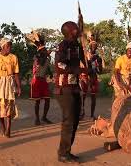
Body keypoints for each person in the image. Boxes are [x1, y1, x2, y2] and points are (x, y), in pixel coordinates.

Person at [54, 21, 86, 163]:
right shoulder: (63, 46)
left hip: (74, 86)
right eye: (76, 27)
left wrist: (87, 69)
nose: (78, 28)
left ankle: (66, 151)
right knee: (69, 121)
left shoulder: (77, 46)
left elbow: (83, 61)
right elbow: (59, 66)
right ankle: (63, 153)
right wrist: (78, 70)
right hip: (64, 87)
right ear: (70, 31)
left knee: (75, 120)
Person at [0, 38, 21, 138]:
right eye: (7, 46)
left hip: (9, 83)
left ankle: (8, 128)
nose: (9, 48)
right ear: (2, 46)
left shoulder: (13, 57)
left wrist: (18, 87)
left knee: (9, 105)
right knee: (0, 105)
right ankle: (2, 126)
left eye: (10, 46)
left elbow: (16, 74)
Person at [27, 31, 53, 126]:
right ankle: (37, 118)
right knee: (37, 101)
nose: (46, 50)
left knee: (47, 99)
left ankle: (44, 117)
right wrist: (46, 54)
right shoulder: (37, 56)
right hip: (37, 79)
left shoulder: (45, 56)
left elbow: (46, 66)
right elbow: (41, 63)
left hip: (43, 80)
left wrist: (50, 73)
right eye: (44, 49)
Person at [79, 39, 103, 120]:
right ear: (89, 47)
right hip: (85, 77)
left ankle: (92, 115)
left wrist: (98, 63)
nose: (94, 47)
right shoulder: (85, 56)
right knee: (83, 96)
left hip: (93, 78)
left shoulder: (98, 57)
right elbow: (84, 66)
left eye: (95, 46)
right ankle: (82, 113)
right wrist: (89, 60)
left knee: (93, 96)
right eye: (92, 46)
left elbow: (100, 71)